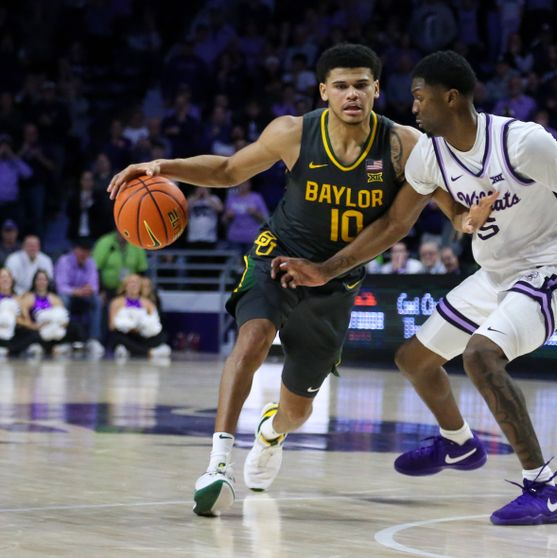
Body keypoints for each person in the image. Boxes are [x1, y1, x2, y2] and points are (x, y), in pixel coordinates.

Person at [271, 50, 557, 527]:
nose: (414, 109)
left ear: (451, 98)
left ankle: (545, 487)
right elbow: (394, 225)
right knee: (414, 359)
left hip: (552, 269)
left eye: (421, 99)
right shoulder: (430, 155)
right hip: (495, 275)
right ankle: (459, 443)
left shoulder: (522, 142)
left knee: (481, 356)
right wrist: (326, 268)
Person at [107, 44, 441, 517]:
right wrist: (163, 167)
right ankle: (218, 465)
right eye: (341, 85)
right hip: (277, 258)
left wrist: (469, 218)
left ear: (377, 89)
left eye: (361, 85)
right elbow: (226, 170)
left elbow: (396, 226)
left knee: (298, 411)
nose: (352, 94)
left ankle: (271, 432)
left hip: (335, 281)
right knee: (252, 339)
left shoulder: (402, 145)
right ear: (324, 91)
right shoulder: (293, 132)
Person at [54, 238, 104, 357]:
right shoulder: (64, 261)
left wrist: (88, 290)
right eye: (82, 250)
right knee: (63, 299)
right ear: (75, 250)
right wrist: (76, 291)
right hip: (69, 296)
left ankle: (94, 339)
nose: (84, 254)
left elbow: (94, 287)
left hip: (83, 296)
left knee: (96, 300)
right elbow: (61, 287)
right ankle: (63, 339)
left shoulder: (91, 262)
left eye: (87, 251)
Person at [108, 273, 170, 360]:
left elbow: (154, 324)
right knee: (117, 338)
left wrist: (141, 328)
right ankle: (149, 352)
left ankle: (132, 350)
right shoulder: (116, 302)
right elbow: (112, 326)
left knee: (161, 337)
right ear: (125, 286)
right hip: (126, 334)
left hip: (142, 335)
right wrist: (129, 326)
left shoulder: (148, 303)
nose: (133, 285)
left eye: (136, 283)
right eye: (131, 282)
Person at [19, 270, 73, 357]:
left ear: (48, 282)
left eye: (44, 279)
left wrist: (59, 325)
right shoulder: (28, 298)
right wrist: (34, 326)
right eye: (39, 279)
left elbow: (64, 320)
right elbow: (23, 320)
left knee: (71, 328)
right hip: (36, 330)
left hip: (51, 330)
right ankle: (42, 346)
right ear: (34, 281)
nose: (41, 282)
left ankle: (53, 346)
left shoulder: (55, 299)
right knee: (26, 333)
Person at [92, 230, 148, 298]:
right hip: (108, 290)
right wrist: (101, 290)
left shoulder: (136, 243)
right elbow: (96, 268)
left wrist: (139, 290)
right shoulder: (104, 242)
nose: (123, 235)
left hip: (130, 289)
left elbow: (142, 270)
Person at [0, 267, 41, 357]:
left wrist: (15, 320)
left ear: (12, 280)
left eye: (7, 277)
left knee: (32, 334)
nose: (5, 280)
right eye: (2, 277)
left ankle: (9, 350)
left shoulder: (18, 299)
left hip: (13, 332)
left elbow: (26, 321)